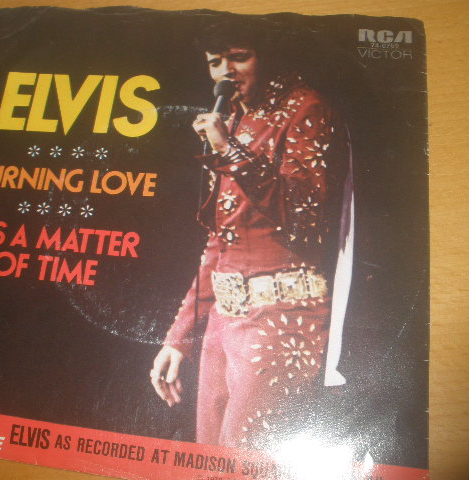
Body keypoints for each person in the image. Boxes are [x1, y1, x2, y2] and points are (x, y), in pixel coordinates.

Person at [150, 20, 351, 448]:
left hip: (281, 319)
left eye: (240, 57)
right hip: (223, 323)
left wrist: (229, 151)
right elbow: (219, 242)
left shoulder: (306, 109)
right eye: (215, 62)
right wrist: (179, 338)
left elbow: (304, 215)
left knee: (246, 460)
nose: (227, 71)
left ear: (266, 55)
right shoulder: (236, 118)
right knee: (210, 458)